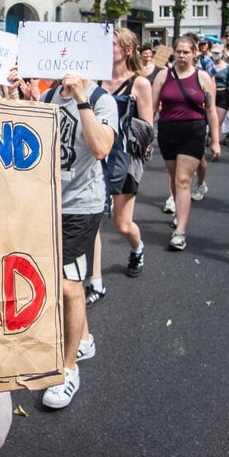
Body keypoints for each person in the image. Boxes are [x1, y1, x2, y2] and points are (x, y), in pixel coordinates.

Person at [36, 72, 116, 409]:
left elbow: (101, 149)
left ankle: (69, 370)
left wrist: (81, 98)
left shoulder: (101, 100)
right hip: (49, 201)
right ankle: (84, 338)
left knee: (69, 286)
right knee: (51, 279)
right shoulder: (46, 97)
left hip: (82, 206)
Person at [84, 28, 154, 308]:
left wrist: (120, 128)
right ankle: (96, 283)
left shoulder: (140, 84)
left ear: (127, 50)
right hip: (96, 155)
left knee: (122, 224)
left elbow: (148, 128)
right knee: (94, 220)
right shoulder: (94, 80)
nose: (106, 47)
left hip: (124, 158)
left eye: (111, 44)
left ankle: (137, 247)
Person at [152, 36, 220, 251]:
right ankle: (179, 211)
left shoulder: (202, 77)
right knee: (173, 177)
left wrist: (216, 141)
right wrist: (145, 134)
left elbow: (211, 111)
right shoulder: (163, 76)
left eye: (186, 52)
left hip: (193, 130)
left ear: (194, 54)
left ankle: (180, 231)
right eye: (178, 52)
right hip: (167, 131)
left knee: (183, 180)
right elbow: (151, 108)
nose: (181, 56)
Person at [211, 44, 229, 146]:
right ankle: (213, 139)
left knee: (218, 121)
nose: (215, 55)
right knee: (211, 120)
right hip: (211, 94)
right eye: (214, 53)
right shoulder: (209, 65)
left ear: (222, 53)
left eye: (217, 53)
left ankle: (216, 143)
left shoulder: (228, 67)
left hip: (223, 94)